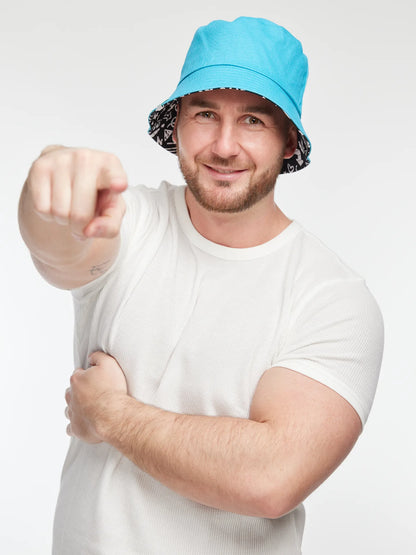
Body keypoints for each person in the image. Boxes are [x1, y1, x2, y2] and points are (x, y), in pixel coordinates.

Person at [18, 16, 383, 555]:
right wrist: (49, 183)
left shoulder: (332, 299)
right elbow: (59, 248)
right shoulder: (132, 224)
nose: (224, 146)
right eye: (205, 114)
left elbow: (272, 478)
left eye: (253, 120)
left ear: (288, 140)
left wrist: (112, 415)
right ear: (178, 124)